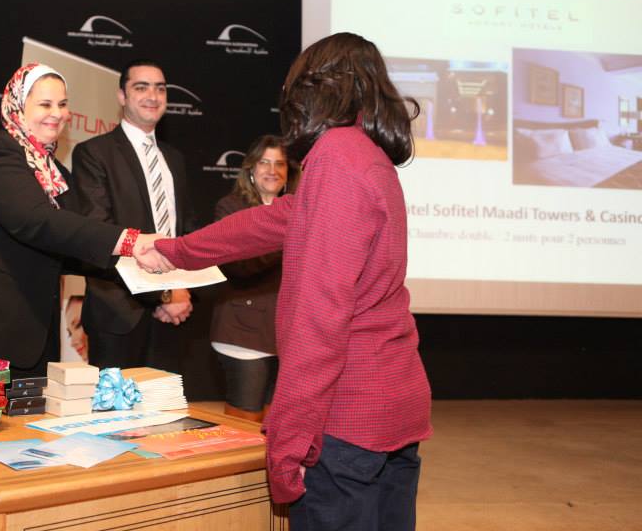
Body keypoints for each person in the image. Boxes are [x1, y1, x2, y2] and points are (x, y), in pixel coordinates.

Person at [149, 33, 433, 530]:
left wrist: (289, 443)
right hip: (394, 408)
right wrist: (172, 250)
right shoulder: (366, 155)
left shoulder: (336, 157)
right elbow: (270, 221)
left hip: (347, 423)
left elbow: (318, 318)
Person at [0, 63, 165, 378]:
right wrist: (130, 241)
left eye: (62, 104)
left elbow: (73, 245)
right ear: (17, 106)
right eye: (45, 104)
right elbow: (35, 221)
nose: (56, 113)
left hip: (22, 335)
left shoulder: (55, 173)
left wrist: (140, 262)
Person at [71, 59, 197, 372]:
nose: (152, 96)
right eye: (141, 87)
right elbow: (99, 237)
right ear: (122, 96)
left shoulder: (175, 159)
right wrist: (164, 295)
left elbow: (186, 232)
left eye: (160, 88)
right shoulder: (94, 153)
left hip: (174, 314)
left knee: (166, 404)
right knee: (117, 406)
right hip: (120, 314)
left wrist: (180, 291)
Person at [210, 134, 297, 422]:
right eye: (264, 163)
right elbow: (239, 266)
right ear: (250, 168)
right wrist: (288, 239)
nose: (273, 171)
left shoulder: (298, 209)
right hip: (242, 331)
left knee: (279, 424)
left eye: (280, 164)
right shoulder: (231, 208)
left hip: (286, 332)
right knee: (243, 426)